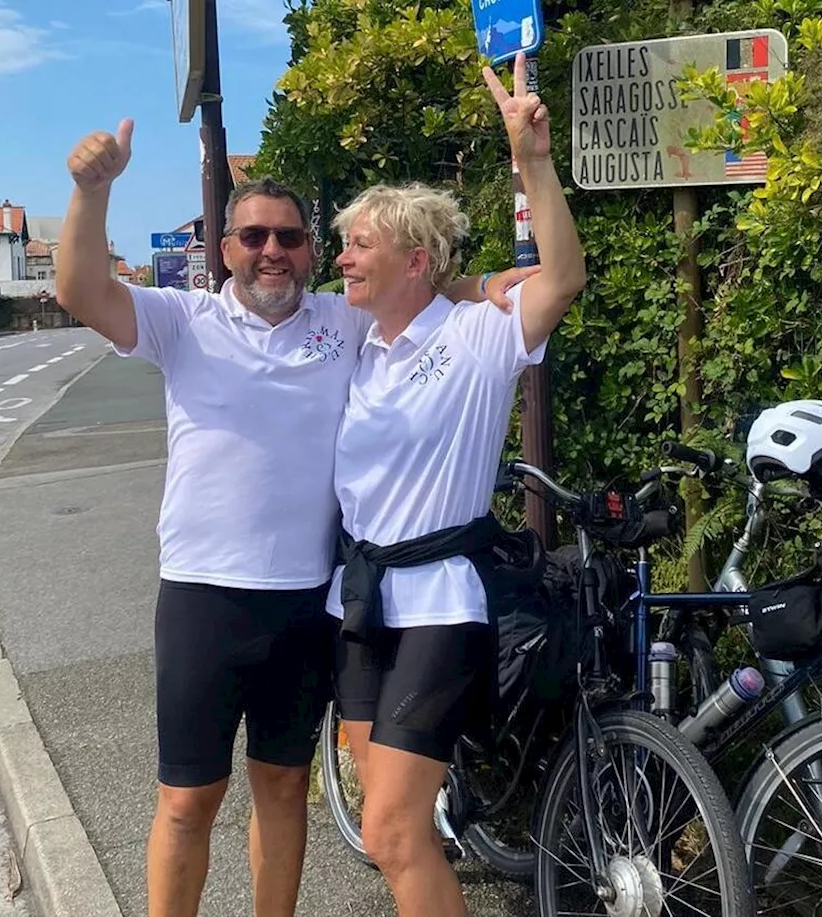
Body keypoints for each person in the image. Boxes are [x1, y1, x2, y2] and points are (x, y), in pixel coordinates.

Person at [55, 122, 533, 917]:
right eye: (253, 236)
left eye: (289, 236)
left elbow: (415, 288)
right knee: (185, 801)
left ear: (310, 250)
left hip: (310, 599)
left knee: (281, 788)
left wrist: (483, 285)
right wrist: (92, 190)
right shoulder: (183, 321)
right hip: (203, 597)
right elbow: (80, 289)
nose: (271, 250)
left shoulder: (340, 321)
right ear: (225, 248)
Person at [327, 51, 587, 917]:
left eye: (357, 244)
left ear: (414, 257)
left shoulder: (477, 336)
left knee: (397, 831)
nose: (340, 258)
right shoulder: (356, 340)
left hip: (438, 604)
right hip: (360, 601)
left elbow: (562, 280)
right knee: (388, 831)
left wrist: (534, 160)